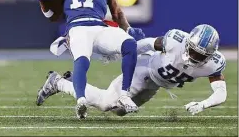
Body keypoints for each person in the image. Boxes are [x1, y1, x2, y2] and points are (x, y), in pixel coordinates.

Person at [37, 0, 145, 119]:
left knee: (129, 44)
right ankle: (81, 101)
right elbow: (52, 17)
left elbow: (116, 11)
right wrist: (42, 1)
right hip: (77, 28)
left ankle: (124, 95)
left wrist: (128, 29)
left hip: (99, 26)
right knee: (82, 59)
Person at [36, 24, 227, 117]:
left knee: (119, 112)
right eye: (193, 50)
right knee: (105, 104)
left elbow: (221, 93)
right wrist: (124, 53)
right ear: (188, 43)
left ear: (211, 55)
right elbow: (147, 44)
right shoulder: (175, 40)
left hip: (156, 85)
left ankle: (66, 82)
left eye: (201, 55)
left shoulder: (215, 63)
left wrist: (203, 105)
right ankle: (58, 82)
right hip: (143, 70)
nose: (195, 56)